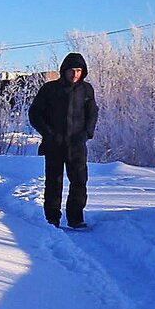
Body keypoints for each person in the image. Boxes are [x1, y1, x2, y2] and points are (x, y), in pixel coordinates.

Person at [28, 52, 99, 229]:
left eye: (79, 70)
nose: (75, 74)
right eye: (72, 70)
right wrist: (48, 133)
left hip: (77, 145)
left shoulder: (87, 90)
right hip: (54, 145)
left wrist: (87, 133)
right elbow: (35, 114)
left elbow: (92, 114)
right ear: (64, 71)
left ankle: (76, 218)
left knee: (79, 182)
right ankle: (52, 219)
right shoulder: (50, 89)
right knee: (54, 183)